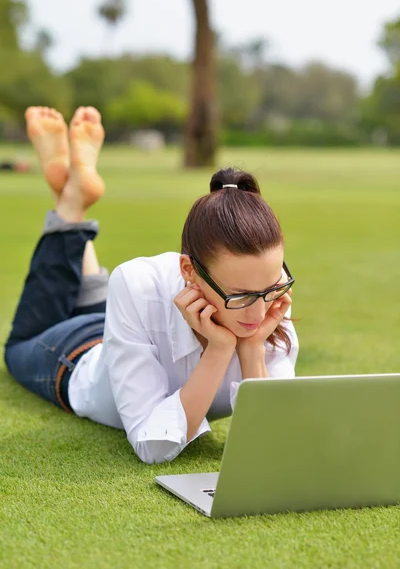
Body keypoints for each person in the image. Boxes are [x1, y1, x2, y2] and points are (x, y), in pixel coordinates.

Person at [4, 106, 299, 465]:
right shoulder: (138, 281)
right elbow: (151, 444)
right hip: (80, 354)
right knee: (19, 346)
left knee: (106, 302)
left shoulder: (268, 293)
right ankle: (69, 205)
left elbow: (272, 439)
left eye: (269, 289)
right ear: (189, 270)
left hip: (127, 328)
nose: (258, 311)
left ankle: (71, 198)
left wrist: (251, 348)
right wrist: (219, 350)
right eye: (240, 296)